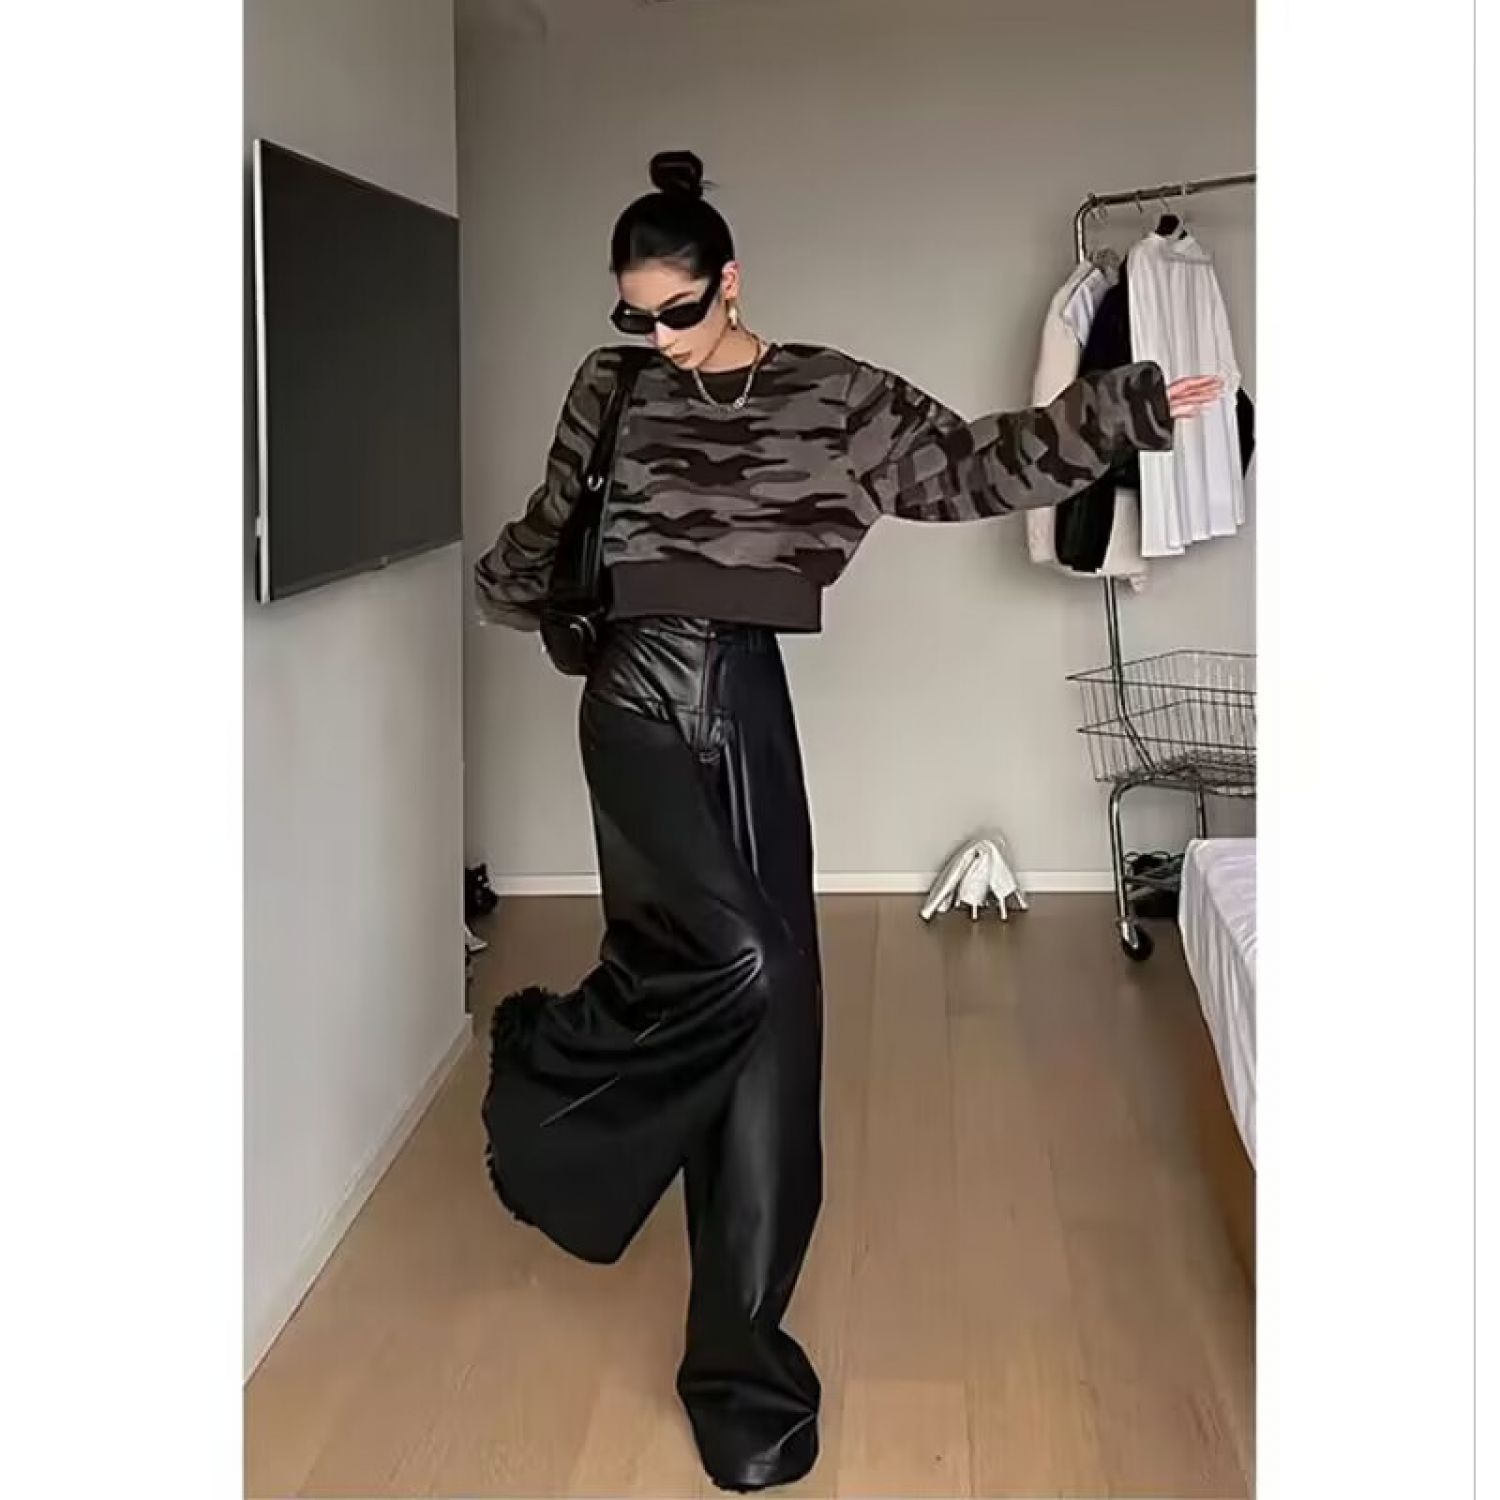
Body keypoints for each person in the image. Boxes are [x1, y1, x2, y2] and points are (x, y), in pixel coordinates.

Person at [474, 150, 1223, 1492]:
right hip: (635, 702)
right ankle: (549, 1070)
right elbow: (552, 521)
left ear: (731, 282)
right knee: (739, 964)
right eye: (634, 314)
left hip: (746, 702)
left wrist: (1123, 409)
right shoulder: (613, 386)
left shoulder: (826, 393)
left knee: (779, 1031)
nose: (657, 336)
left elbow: (970, 468)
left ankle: (738, 1365)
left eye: (678, 311)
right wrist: (504, 585)